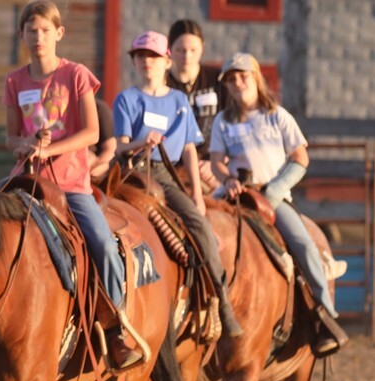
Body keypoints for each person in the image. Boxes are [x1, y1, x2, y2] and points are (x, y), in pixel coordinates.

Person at [2, 0, 147, 372]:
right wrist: (25, 146)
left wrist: (50, 147)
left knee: (102, 243)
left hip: (70, 185)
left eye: (45, 31)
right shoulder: (14, 81)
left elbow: (92, 132)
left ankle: (116, 330)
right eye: (31, 31)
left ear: (59, 33)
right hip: (25, 179)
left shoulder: (76, 75)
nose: (38, 37)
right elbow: (10, 137)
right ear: (21, 35)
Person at [204, 53, 348, 357]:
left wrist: (275, 189)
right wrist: (228, 179)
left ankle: (325, 316)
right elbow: (216, 161)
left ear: (257, 78)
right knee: (199, 227)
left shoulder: (277, 115)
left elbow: (300, 158)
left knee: (303, 244)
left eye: (243, 76)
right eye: (231, 79)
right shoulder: (223, 121)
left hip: (272, 193)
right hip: (236, 192)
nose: (237, 82)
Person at [102, 31, 242, 338]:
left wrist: (196, 194)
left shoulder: (179, 101)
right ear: (134, 62)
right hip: (132, 173)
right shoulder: (127, 98)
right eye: (140, 57)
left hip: (167, 173)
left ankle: (219, 299)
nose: (146, 62)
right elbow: (120, 147)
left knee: (200, 225)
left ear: (167, 61)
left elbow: (190, 148)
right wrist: (141, 142)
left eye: (153, 57)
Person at [165, 19, 224, 147]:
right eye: (180, 50)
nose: (186, 56)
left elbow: (231, 119)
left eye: (193, 50)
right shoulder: (162, 83)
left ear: (202, 47)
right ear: (169, 49)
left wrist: (217, 159)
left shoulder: (218, 79)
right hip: (174, 160)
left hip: (212, 159)